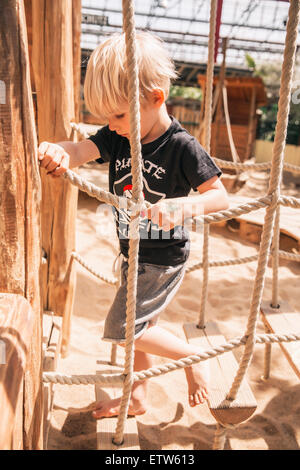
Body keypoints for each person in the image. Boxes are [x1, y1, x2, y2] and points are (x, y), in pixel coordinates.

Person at [38, 31, 229, 419]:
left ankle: (194, 356)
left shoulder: (182, 147)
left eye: (120, 115)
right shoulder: (120, 135)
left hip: (162, 256)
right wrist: (60, 150)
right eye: (107, 117)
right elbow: (81, 150)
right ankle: (138, 399)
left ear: (156, 98)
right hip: (134, 251)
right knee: (140, 336)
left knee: (124, 329)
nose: (113, 125)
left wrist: (179, 208)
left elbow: (220, 196)